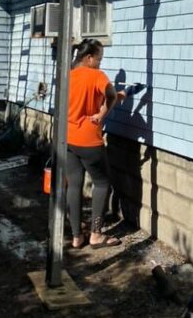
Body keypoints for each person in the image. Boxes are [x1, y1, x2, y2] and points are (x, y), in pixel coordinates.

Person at [66, 38, 122, 249]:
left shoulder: (68, 75)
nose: (100, 63)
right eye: (99, 58)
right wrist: (101, 114)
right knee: (101, 182)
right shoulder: (97, 75)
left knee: (74, 183)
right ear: (89, 58)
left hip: (67, 138)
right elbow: (111, 95)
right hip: (88, 140)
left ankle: (76, 236)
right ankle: (96, 234)